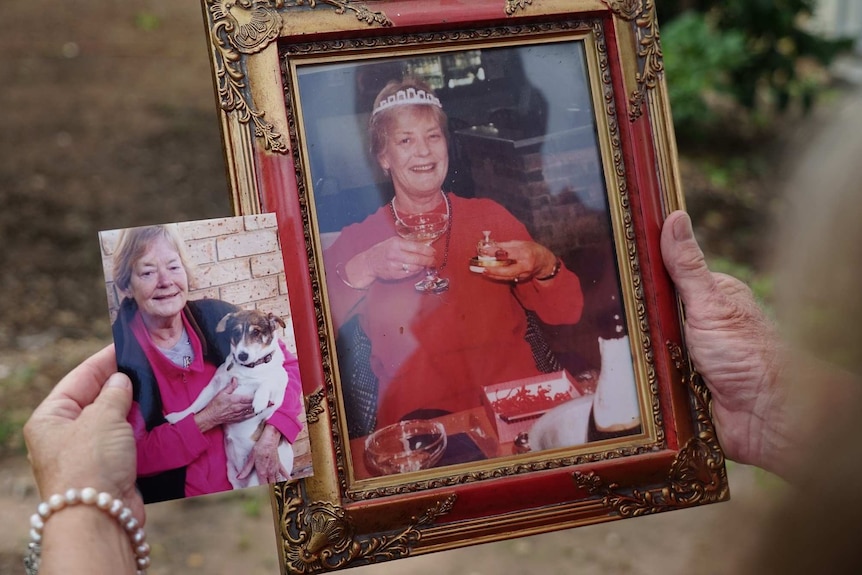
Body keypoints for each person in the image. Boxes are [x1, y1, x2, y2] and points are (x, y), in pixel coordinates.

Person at [323, 78, 585, 439]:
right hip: (423, 424)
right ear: (383, 157)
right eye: (405, 140)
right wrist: (365, 266)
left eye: (433, 136)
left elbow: (567, 312)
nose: (424, 152)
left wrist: (544, 264)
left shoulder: (490, 218)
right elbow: (312, 327)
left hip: (513, 404)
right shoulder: (359, 239)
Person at [110, 224, 304, 503]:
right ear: (127, 284)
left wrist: (272, 432)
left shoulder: (218, 318)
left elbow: (289, 366)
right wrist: (207, 418)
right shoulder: (123, 357)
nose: (166, 281)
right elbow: (133, 455)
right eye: (148, 272)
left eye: (174, 267)